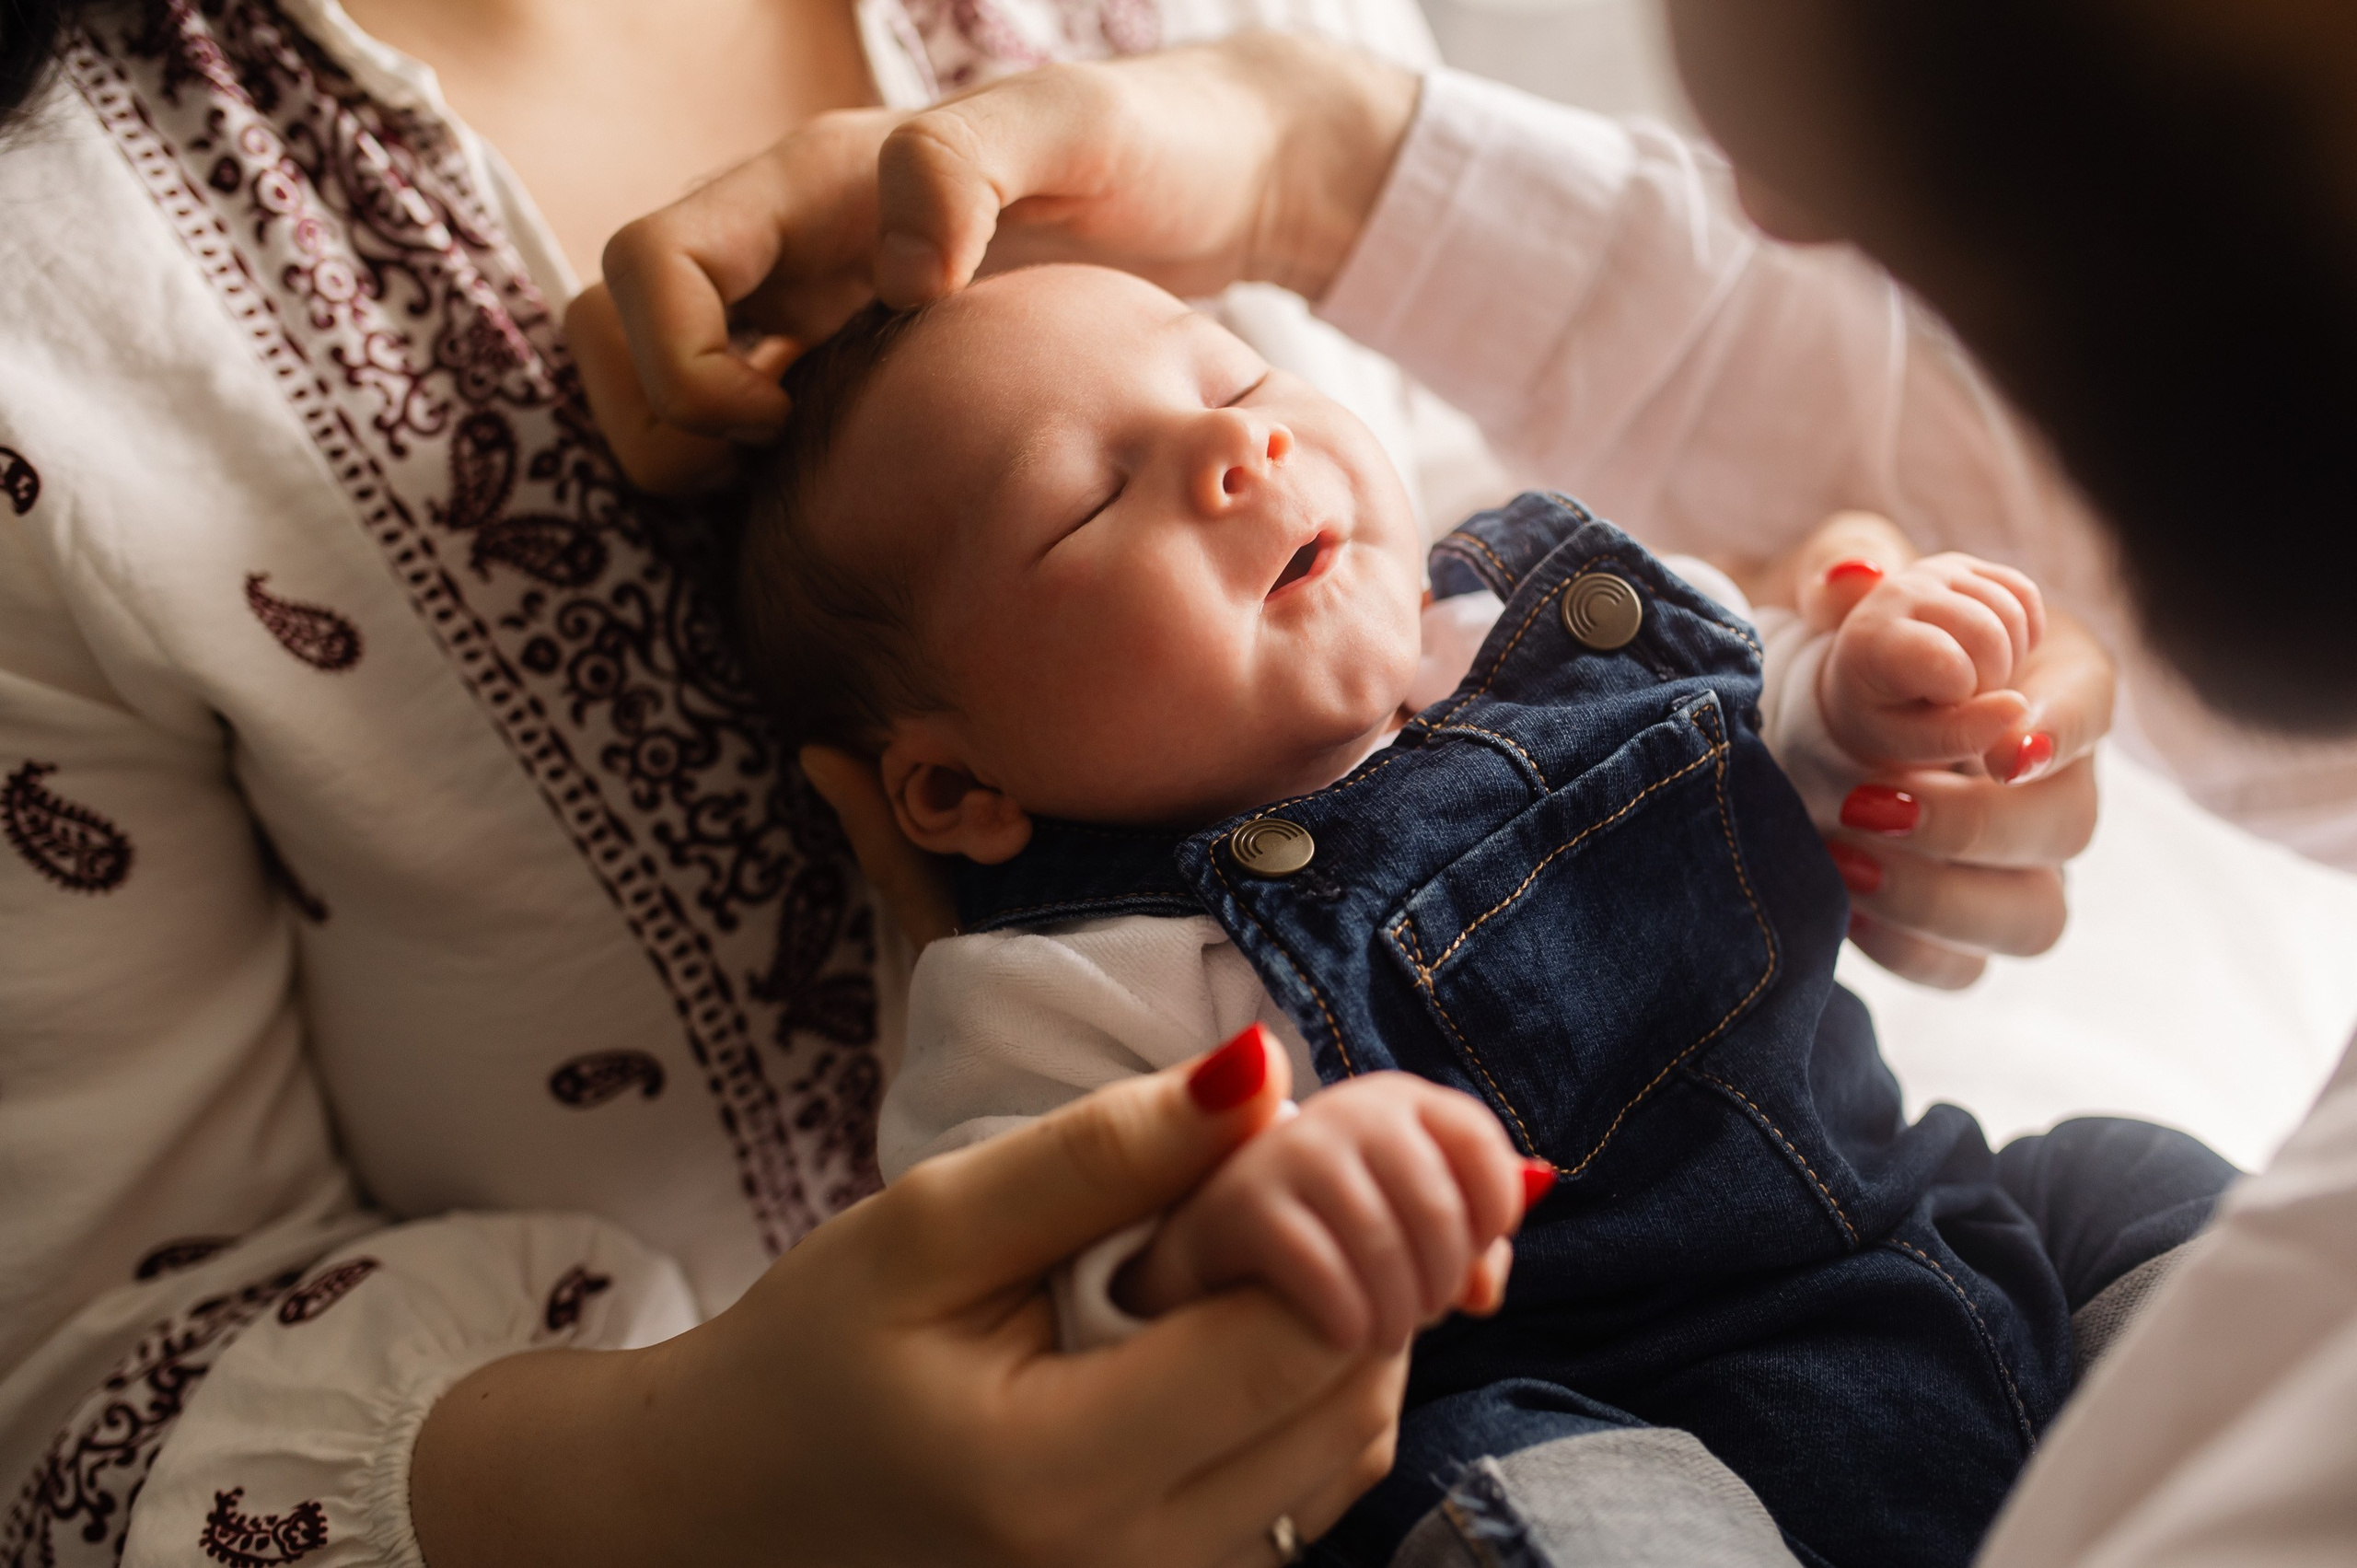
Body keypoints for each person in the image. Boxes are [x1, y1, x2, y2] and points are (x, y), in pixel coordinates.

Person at [587, 8, 2357, 1565]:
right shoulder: (1072, 983)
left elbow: (1764, 755)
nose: (1236, 448)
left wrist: (1867, 702)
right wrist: (1217, 1248)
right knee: (1504, 1497)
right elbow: (1028, 1281)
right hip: (1607, 1412)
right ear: (955, 789)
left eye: (1235, 376)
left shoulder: (1555, 621)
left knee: (2140, 1189)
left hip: (1931, 1230)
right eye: (1088, 498)